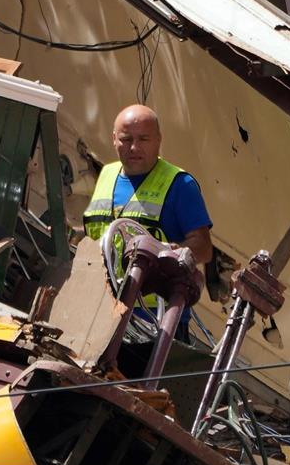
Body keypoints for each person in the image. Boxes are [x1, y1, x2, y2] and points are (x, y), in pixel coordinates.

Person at [83, 105, 213, 332]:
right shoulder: (107, 174)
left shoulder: (180, 185)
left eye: (143, 139)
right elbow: (99, 234)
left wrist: (169, 255)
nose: (134, 147)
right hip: (101, 314)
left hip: (156, 323)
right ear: (114, 139)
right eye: (126, 139)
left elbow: (203, 248)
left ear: (158, 140)